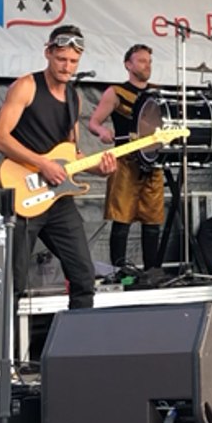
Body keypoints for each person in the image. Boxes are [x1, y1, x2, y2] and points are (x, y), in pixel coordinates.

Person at [0, 25, 116, 310]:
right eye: (62, 59)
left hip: (58, 200)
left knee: (84, 277)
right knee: (13, 283)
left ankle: (77, 347)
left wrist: (100, 168)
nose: (67, 67)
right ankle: (5, 352)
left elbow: (70, 154)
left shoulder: (75, 97)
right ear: (48, 53)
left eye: (73, 61)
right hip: (22, 193)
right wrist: (41, 164)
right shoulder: (26, 86)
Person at [86, 44, 165, 271]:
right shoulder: (116, 92)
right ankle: (119, 272)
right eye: (141, 61)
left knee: (153, 223)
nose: (147, 65)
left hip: (152, 164)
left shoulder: (157, 93)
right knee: (121, 221)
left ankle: (152, 272)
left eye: (149, 61)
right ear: (128, 65)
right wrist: (102, 132)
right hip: (125, 162)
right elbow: (93, 122)